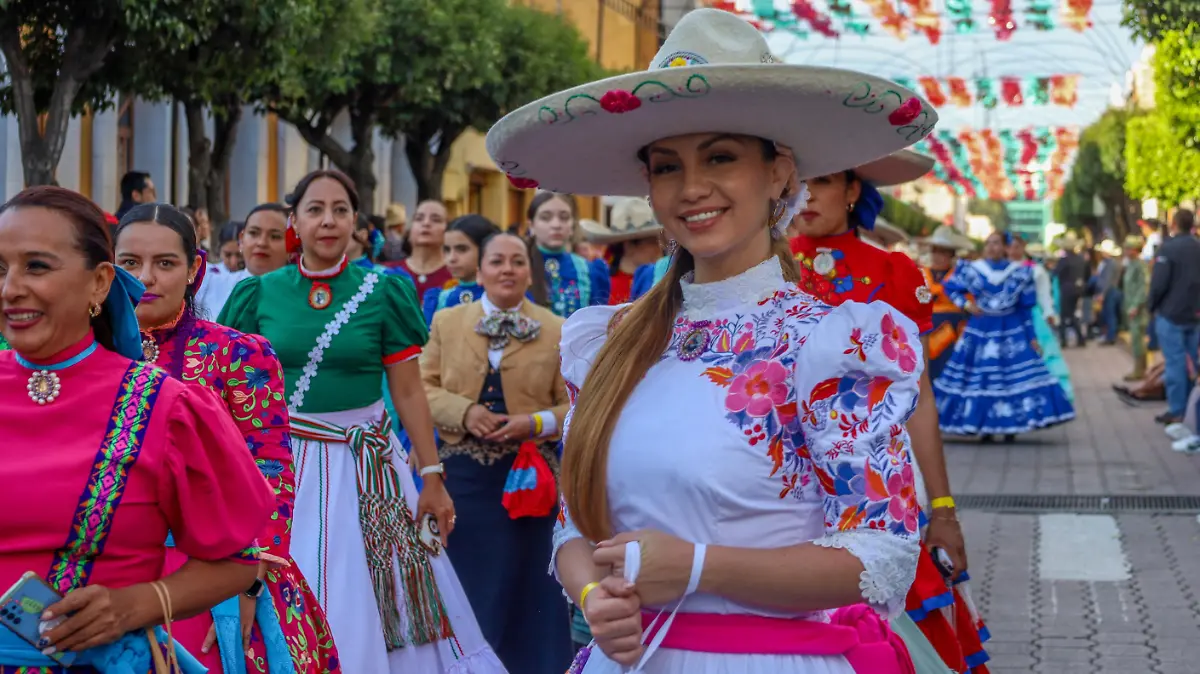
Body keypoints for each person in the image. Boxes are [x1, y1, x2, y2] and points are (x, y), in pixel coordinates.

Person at [488, 8, 936, 672]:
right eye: (667, 166)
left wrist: (700, 567)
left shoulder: (828, 344)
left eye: (720, 157)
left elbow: (884, 552)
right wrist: (594, 597)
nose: (692, 188)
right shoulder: (611, 340)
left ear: (779, 173)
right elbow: (575, 526)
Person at [218, 169, 504, 673]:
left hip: (368, 465)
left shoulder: (383, 291)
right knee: (287, 579)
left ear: (356, 221)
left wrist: (432, 476)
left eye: (340, 210)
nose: (328, 221)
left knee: (381, 595)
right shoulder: (258, 294)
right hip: (285, 466)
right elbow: (234, 394)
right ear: (294, 221)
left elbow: (408, 390)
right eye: (315, 210)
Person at [0, 186, 273, 671]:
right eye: (0, 269)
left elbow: (236, 560)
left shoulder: (164, 406)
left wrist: (136, 605)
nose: (10, 289)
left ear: (100, 282)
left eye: (36, 266)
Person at [114, 203, 341, 673]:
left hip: (216, 567)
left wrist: (249, 580)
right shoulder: (85, 355)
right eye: (130, 263)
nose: (146, 278)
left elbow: (270, 467)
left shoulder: (235, 354)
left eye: (165, 263)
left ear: (194, 269)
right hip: (105, 563)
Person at [789, 150, 985, 673]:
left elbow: (918, 401)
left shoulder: (892, 273)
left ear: (853, 190)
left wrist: (943, 511)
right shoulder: (757, 267)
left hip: (873, 489)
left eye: (823, 180)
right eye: (798, 182)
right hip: (773, 489)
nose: (807, 194)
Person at [420, 232, 573, 673]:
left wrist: (535, 423)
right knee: (468, 582)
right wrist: (464, 412)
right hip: (462, 479)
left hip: (531, 482)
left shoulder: (557, 328)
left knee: (530, 587)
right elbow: (420, 388)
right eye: (497, 261)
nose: (507, 269)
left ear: (529, 273)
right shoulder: (447, 321)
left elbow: (575, 403)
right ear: (480, 270)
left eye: (517, 261)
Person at [934, 231, 1076, 441]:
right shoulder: (974, 269)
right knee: (982, 379)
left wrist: (1032, 337)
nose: (992, 247)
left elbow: (1025, 309)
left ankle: (1011, 427)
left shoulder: (1019, 272)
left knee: (1010, 380)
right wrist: (967, 305)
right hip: (981, 329)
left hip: (1011, 330)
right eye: (989, 243)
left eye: (996, 243)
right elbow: (951, 288)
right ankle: (983, 426)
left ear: (1005, 247)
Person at [1148, 208, 1200, 425]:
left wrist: (1151, 305)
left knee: (1175, 363)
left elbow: (1159, 283)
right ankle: (1191, 409)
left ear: (1174, 224)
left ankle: (1177, 409)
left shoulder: (1168, 248)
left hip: (1170, 314)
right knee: (1192, 362)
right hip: (1194, 314)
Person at [1009, 234, 1073, 402]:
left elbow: (1045, 295)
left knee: (1038, 355)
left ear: (1023, 248)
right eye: (1010, 246)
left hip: (1032, 317)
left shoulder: (1036, 270)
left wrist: (1049, 313)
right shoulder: (1000, 268)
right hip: (1008, 319)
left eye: (1017, 247)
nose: (1013, 250)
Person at [525, 192, 610, 317]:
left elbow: (597, 321)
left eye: (564, 218)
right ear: (531, 225)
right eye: (546, 217)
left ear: (572, 226)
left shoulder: (590, 270)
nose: (556, 225)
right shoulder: (519, 266)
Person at [580, 198, 663, 305]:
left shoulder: (661, 279)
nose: (659, 247)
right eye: (652, 242)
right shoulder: (601, 281)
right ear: (629, 245)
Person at [422, 215, 499, 326]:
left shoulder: (503, 295)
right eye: (447, 250)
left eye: (462, 249)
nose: (451, 258)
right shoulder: (440, 299)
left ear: (485, 249)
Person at [919, 226, 972, 381]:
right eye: (934, 251)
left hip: (952, 336)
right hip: (922, 334)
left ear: (951, 255)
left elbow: (970, 305)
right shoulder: (920, 274)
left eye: (942, 252)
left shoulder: (961, 277)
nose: (937, 256)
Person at [391, 200, 453, 299]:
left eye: (436, 220)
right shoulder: (387, 272)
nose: (426, 223)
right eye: (419, 218)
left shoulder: (456, 275)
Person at [1122, 234, 1150, 381]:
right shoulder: (1131, 265)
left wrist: (1136, 306)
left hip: (1138, 309)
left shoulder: (1139, 265)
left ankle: (1139, 370)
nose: (1126, 251)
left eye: (1129, 248)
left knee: (1137, 339)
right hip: (1132, 307)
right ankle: (1140, 369)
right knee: (1135, 339)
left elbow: (1143, 287)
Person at [1054, 232, 1088, 347]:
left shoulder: (1064, 260)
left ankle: (1064, 339)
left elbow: (1056, 272)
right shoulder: (1080, 259)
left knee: (1065, 315)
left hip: (1066, 290)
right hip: (1078, 289)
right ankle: (1079, 338)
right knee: (1071, 314)